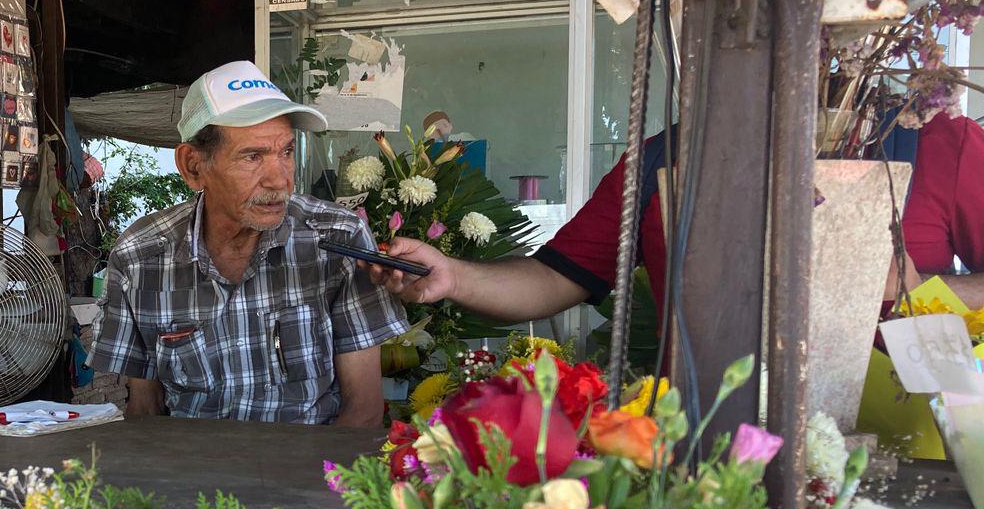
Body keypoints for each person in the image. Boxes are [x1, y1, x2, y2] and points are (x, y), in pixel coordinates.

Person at [370, 113, 984, 313]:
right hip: (706, 449)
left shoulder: (933, 142)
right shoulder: (665, 159)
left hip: (900, 444)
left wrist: (924, 288)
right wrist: (453, 274)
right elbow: (560, 276)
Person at [88, 61, 409, 426]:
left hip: (311, 472)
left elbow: (363, 410)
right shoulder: (140, 258)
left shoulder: (337, 238)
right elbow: (145, 411)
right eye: (253, 157)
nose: (279, 181)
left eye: (286, 152)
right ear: (193, 166)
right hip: (192, 472)